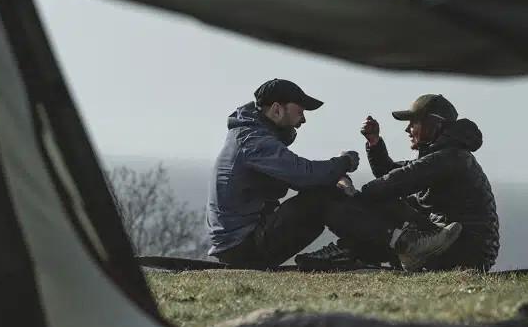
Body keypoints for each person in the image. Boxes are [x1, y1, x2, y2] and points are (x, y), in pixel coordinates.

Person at [297, 94, 499, 272]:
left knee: (378, 201)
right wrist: (375, 143)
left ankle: (349, 251)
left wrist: (353, 197)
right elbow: (394, 174)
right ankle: (349, 251)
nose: (408, 129)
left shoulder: (451, 158)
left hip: (464, 252)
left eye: (414, 122)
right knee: (387, 201)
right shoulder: (446, 156)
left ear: (434, 123)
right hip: (458, 246)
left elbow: (394, 183)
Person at [207, 79, 361, 269]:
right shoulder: (253, 141)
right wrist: (345, 162)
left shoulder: (251, 135)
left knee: (324, 189)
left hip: (241, 243)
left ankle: (351, 249)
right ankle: (355, 249)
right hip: (244, 248)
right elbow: (305, 176)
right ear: (277, 109)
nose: (303, 120)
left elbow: (302, 175)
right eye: (300, 112)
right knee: (321, 198)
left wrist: (333, 176)